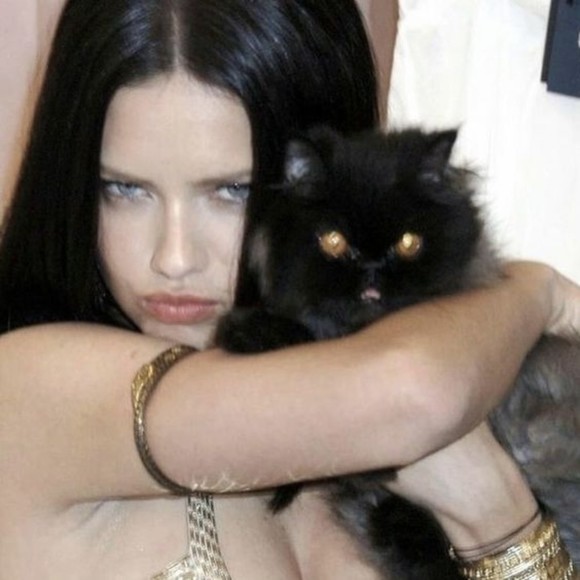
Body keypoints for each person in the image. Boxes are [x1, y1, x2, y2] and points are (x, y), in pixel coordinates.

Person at [0, 0, 578, 578]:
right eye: (125, 189)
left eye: (231, 191)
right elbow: (414, 391)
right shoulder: (31, 383)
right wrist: (535, 291)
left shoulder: (411, 391)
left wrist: (496, 515)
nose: (174, 258)